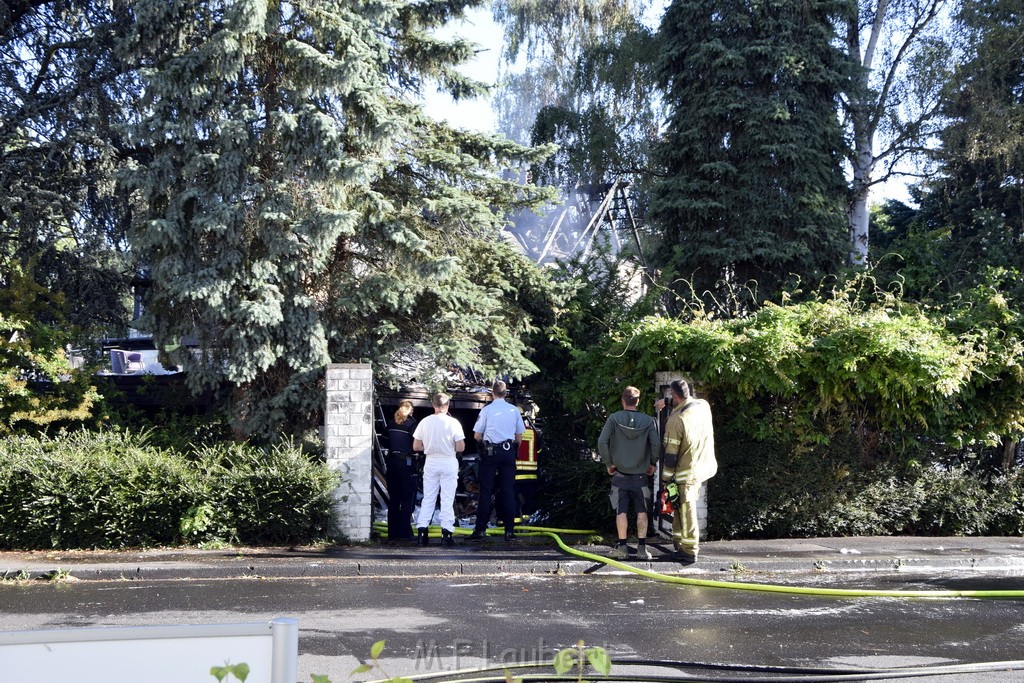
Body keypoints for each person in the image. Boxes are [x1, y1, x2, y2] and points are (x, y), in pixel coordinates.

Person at [655, 379, 717, 565]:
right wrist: (667, 402)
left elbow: (671, 456)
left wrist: (665, 479)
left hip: (685, 474)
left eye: (671, 397)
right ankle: (680, 545)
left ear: (675, 396)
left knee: (686, 512)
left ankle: (689, 551)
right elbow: (686, 401)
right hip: (700, 468)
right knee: (681, 510)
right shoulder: (702, 406)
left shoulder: (675, 421)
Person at [598, 386, 660, 560]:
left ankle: (622, 548)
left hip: (619, 475)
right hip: (641, 475)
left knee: (621, 511)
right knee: (642, 511)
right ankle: (642, 549)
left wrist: (609, 463)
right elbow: (656, 445)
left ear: (622, 400)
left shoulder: (614, 418)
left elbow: (602, 442)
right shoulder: (649, 421)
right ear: (638, 401)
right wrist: (652, 463)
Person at [468, 380, 525, 542]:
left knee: (486, 491)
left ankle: (480, 530)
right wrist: (513, 448)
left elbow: (477, 435)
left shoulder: (487, 410)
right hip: (508, 452)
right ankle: (509, 531)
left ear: (492, 393)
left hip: (490, 453)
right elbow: (519, 435)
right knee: (507, 490)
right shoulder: (513, 410)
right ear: (505, 393)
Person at [412, 392, 466, 546]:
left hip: (431, 461)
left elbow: (416, 446)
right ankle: (446, 533)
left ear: (433, 405)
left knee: (428, 497)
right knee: (447, 498)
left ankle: (422, 532)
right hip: (448, 460)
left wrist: (428, 446)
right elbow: (460, 447)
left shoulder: (424, 422)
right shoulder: (453, 422)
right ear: (447, 405)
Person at [385, 400, 417, 541]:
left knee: (394, 499)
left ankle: (392, 532)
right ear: (410, 411)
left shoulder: (390, 424)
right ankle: (405, 532)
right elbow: (417, 445)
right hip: (406, 463)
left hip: (391, 463)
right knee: (407, 498)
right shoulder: (411, 424)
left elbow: (385, 442)